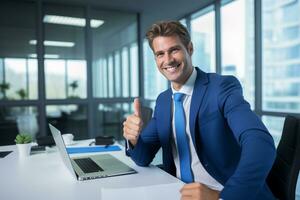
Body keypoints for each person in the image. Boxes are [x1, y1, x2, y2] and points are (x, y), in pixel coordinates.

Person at [123, 21, 276, 200]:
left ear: (190, 49)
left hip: (221, 192)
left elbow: (260, 142)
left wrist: (223, 197)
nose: (168, 60)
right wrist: (133, 140)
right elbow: (143, 157)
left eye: (174, 50)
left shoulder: (221, 88)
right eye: (160, 54)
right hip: (178, 192)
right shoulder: (163, 101)